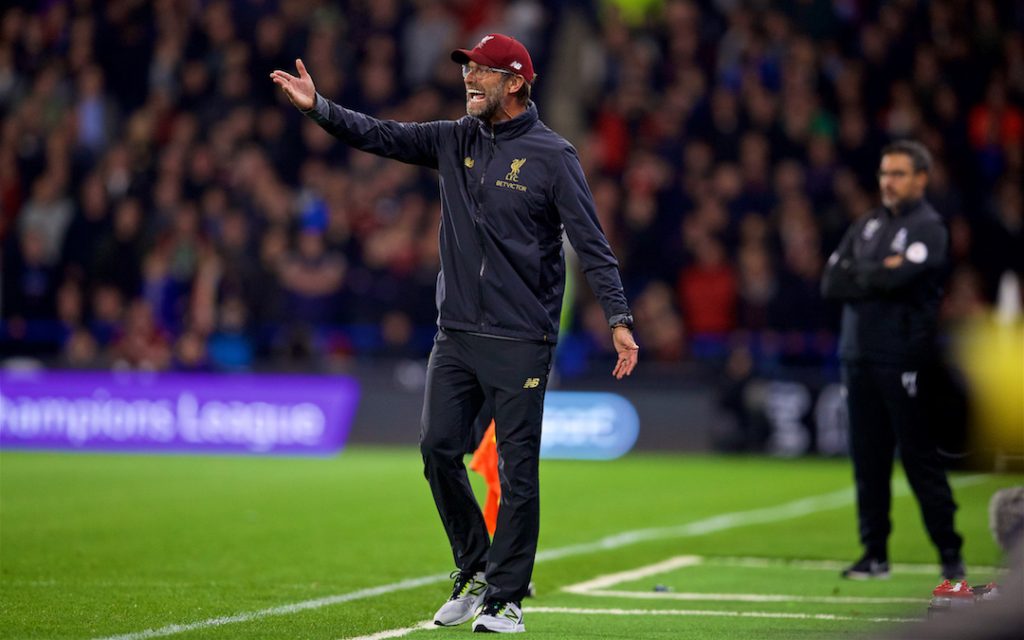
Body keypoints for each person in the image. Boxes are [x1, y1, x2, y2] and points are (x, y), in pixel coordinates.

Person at [271, 33, 639, 633]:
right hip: (457, 334)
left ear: (516, 83)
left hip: (522, 337)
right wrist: (319, 107)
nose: (469, 78)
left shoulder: (553, 156)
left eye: (484, 72)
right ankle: (474, 567)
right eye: (467, 69)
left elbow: (592, 246)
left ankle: (507, 597)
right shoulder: (454, 139)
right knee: (438, 449)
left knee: (518, 472)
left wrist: (619, 320)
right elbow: (379, 134)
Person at [821, 140, 965, 581]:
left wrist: (866, 274)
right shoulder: (866, 225)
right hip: (858, 357)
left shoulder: (930, 228)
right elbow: (831, 283)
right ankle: (874, 554)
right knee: (868, 460)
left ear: (921, 178)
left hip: (903, 360)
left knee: (920, 461)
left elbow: (904, 275)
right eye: (885, 173)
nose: (888, 182)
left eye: (899, 173)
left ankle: (949, 554)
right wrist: (880, 272)